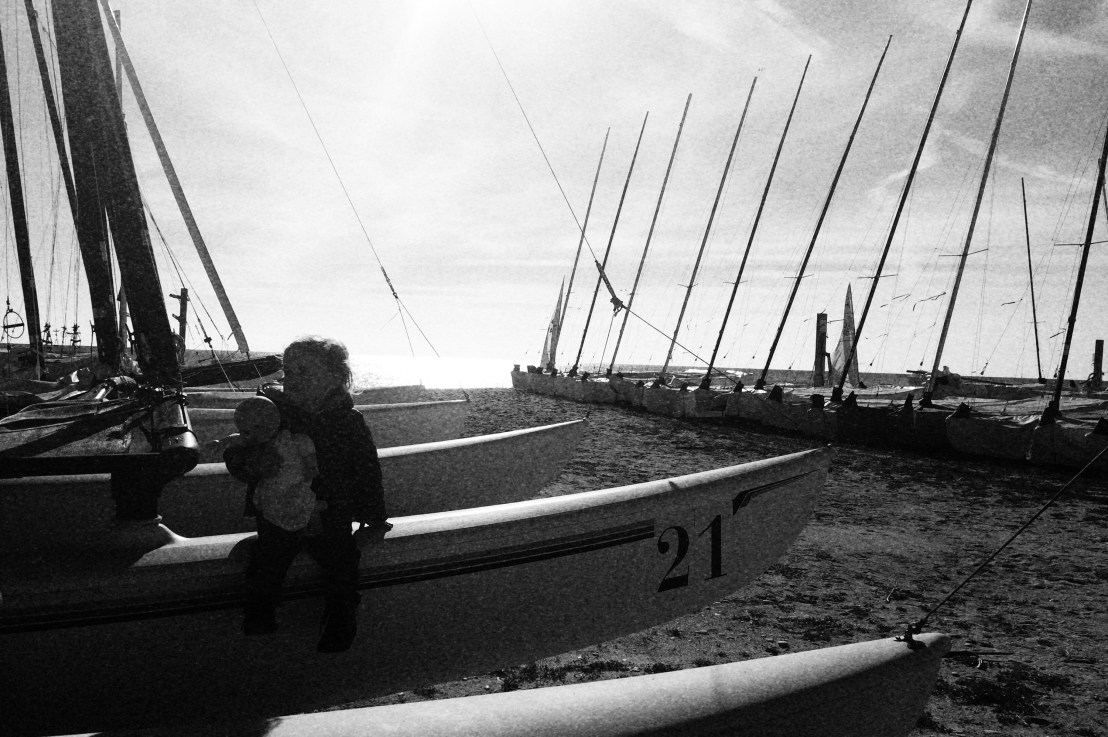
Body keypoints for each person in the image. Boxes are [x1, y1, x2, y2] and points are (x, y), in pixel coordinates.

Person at [224, 336, 390, 653]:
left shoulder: (348, 420)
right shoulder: (271, 415)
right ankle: (259, 614)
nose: (292, 380)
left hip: (330, 509)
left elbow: (367, 467)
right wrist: (249, 463)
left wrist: (373, 514)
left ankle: (341, 620)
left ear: (336, 377)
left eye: (304, 372)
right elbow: (238, 450)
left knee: (342, 560)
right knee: (266, 559)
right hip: (277, 509)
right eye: (288, 372)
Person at [224, 395, 321, 534]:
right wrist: (251, 461)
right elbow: (235, 448)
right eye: (246, 431)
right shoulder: (259, 439)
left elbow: (304, 444)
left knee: (298, 495)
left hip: (294, 479)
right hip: (273, 484)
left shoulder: (289, 437)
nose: (253, 434)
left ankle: (310, 513)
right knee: (271, 501)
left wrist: (310, 464)